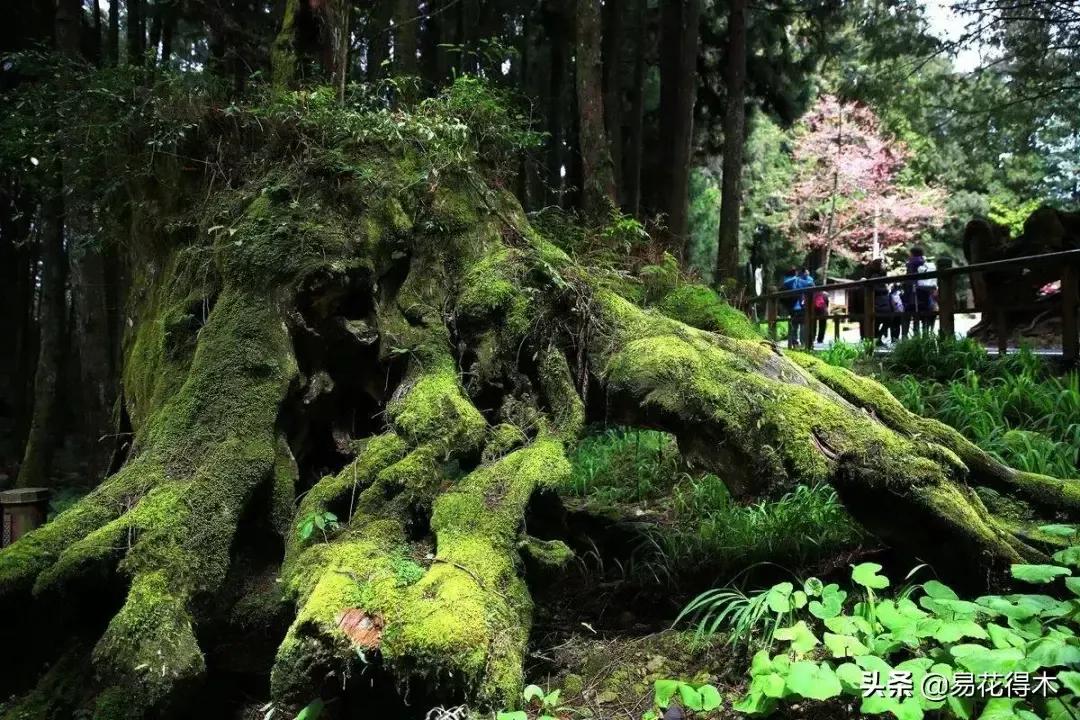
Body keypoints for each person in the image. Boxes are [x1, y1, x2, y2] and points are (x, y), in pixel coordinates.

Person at [781, 267, 803, 348]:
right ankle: (802, 343)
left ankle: (795, 343)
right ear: (795, 273)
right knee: (801, 325)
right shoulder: (797, 280)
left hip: (792, 307)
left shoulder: (786, 282)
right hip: (799, 306)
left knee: (794, 326)